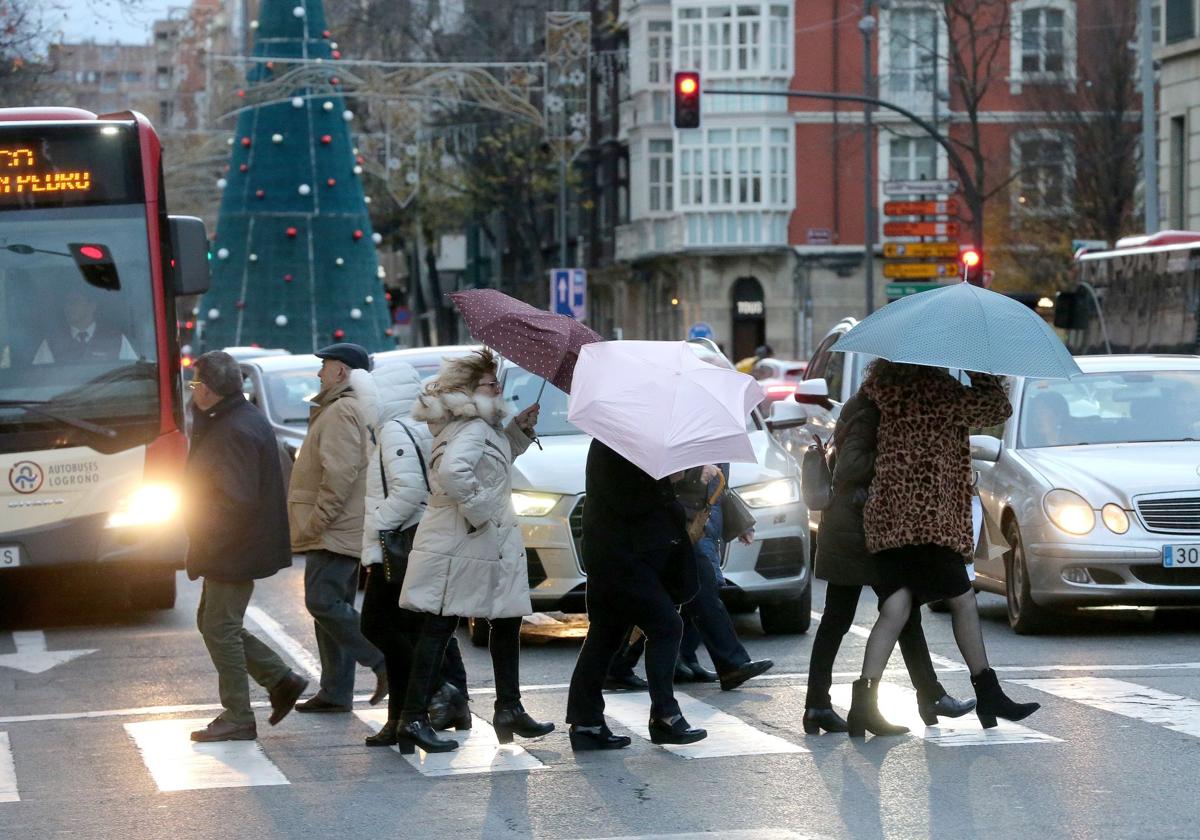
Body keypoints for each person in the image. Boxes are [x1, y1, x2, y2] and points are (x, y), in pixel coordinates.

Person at [848, 361, 1040, 736]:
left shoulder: (885, 389)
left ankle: (862, 706)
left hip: (890, 518)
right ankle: (989, 693)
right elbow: (996, 409)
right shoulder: (939, 390)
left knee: (896, 607)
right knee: (964, 600)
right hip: (927, 520)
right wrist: (981, 370)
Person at [396, 350, 551, 754]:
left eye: (496, 381)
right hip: (462, 541)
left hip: (476, 541)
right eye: (489, 383)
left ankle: (509, 707)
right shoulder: (471, 428)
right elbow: (452, 473)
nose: (498, 387)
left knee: (505, 619)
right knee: (439, 627)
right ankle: (412, 719)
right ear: (468, 390)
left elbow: (489, 465)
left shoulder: (481, 425)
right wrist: (482, 511)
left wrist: (517, 432)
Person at [802, 389, 975, 736]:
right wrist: (898, 457)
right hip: (857, 531)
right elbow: (850, 465)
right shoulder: (870, 411)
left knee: (882, 613)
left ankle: (821, 706)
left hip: (858, 528)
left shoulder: (873, 405)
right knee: (888, 612)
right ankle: (924, 697)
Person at [183, 351, 308, 742]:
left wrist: (207, 542)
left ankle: (238, 714)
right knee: (215, 623)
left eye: (194, 384)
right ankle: (280, 680)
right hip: (235, 545)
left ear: (208, 389)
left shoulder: (232, 428)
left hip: (231, 548)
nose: (192, 393)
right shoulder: (234, 418)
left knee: (219, 627)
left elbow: (234, 500)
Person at [565, 442, 710, 751]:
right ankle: (665, 716)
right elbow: (628, 501)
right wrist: (667, 479)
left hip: (625, 554)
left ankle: (586, 722)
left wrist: (677, 475)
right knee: (666, 626)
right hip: (619, 557)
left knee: (606, 634)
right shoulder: (613, 441)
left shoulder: (633, 436)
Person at [358, 360, 471, 746]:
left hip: (400, 543)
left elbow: (408, 490)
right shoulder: (414, 424)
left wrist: (377, 524)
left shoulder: (393, 430)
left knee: (376, 626)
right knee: (404, 628)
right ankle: (401, 718)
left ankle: (433, 695)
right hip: (419, 540)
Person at [288, 342, 387, 713]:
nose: (319, 373)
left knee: (323, 601)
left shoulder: (342, 409)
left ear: (342, 372)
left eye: (325, 366)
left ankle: (382, 662)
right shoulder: (342, 407)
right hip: (340, 526)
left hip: (336, 528)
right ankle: (335, 691)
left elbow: (341, 474)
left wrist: (317, 522)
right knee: (332, 605)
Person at [32, 288, 137, 365]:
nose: (68, 307)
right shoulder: (52, 341)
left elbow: (132, 375)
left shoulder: (115, 339)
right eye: (66, 303)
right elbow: (39, 377)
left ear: (92, 306)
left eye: (74, 302)